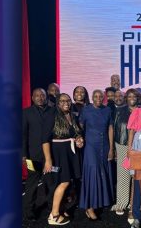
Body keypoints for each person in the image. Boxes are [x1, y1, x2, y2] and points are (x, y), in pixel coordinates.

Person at [43, 93, 84, 225]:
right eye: (62, 101)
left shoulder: (71, 115)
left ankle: (60, 209)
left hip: (70, 153)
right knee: (64, 182)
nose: (66, 102)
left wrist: (79, 139)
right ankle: (54, 215)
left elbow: (76, 133)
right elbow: (44, 140)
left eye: (68, 100)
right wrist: (48, 160)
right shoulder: (52, 115)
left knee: (68, 181)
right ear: (58, 103)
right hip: (59, 153)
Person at [79, 90, 115, 220]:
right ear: (92, 98)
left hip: (104, 145)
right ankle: (89, 207)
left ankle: (99, 202)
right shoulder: (86, 110)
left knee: (103, 173)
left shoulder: (107, 110)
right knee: (92, 174)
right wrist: (79, 139)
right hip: (90, 146)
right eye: (96, 96)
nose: (98, 98)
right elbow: (80, 127)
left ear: (104, 98)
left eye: (101, 96)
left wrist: (111, 148)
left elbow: (110, 128)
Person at [22, 88, 56, 221]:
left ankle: (51, 207)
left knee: (51, 182)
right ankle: (29, 211)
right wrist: (23, 155)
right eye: (37, 95)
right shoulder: (26, 113)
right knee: (32, 183)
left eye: (42, 95)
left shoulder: (53, 111)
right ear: (32, 97)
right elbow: (23, 135)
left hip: (50, 155)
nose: (40, 97)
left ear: (46, 97)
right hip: (33, 155)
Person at [112, 88, 140, 216]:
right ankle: (121, 203)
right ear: (126, 98)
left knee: (136, 175)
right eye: (129, 96)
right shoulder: (119, 111)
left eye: (134, 96)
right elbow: (114, 128)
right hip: (122, 145)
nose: (131, 98)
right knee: (123, 174)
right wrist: (114, 147)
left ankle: (132, 203)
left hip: (139, 146)